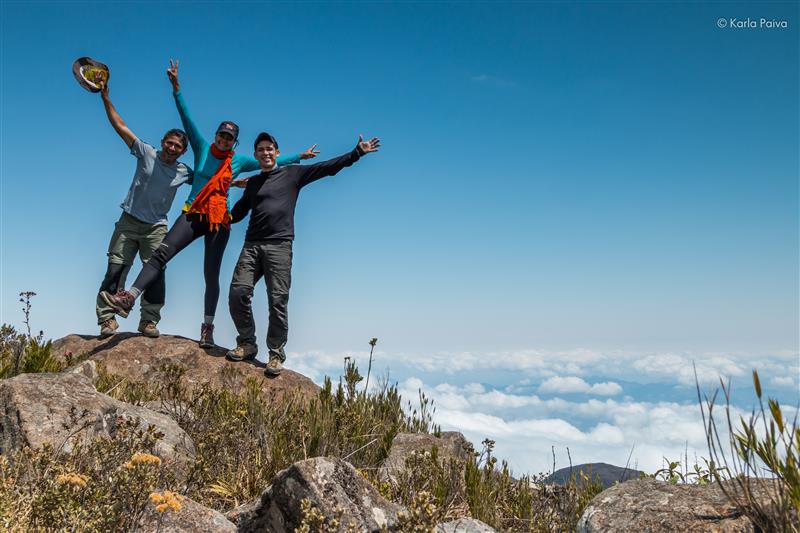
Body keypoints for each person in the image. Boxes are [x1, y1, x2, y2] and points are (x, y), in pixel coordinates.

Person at [101, 61, 318, 347]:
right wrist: (176, 88)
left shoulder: (238, 161)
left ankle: (207, 327)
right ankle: (130, 297)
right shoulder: (202, 147)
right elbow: (186, 116)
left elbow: (270, 162)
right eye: (221, 135)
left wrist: (298, 157)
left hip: (220, 221)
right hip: (193, 214)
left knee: (210, 276)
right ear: (215, 135)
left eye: (230, 138)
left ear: (235, 143)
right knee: (161, 256)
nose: (224, 140)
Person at [226, 131, 380, 376]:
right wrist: (216, 213)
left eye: (269, 149)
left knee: (277, 301)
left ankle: (275, 354)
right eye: (260, 150)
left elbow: (326, 167)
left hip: (280, 246)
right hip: (252, 245)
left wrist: (357, 153)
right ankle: (247, 343)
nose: (265, 153)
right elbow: (238, 212)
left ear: (277, 152)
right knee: (238, 292)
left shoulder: (292, 174)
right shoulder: (253, 183)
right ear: (256, 155)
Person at [94, 78, 192, 339]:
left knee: (156, 272)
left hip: (156, 228)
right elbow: (120, 126)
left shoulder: (183, 172)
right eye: (169, 143)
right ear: (163, 142)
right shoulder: (145, 152)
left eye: (178, 146)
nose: (172, 148)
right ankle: (107, 319)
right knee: (115, 268)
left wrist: (235, 180)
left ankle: (148, 320)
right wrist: (105, 98)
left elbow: (206, 179)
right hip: (128, 221)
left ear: (183, 152)